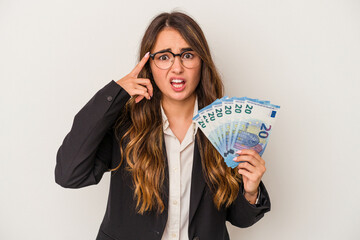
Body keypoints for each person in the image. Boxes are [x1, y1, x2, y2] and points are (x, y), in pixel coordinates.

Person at [55, 11, 270, 240]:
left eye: (187, 55)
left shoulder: (225, 128)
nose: (176, 68)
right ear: (149, 64)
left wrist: (250, 191)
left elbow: (239, 218)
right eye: (164, 57)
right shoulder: (126, 128)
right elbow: (69, 174)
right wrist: (114, 93)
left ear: (201, 62)